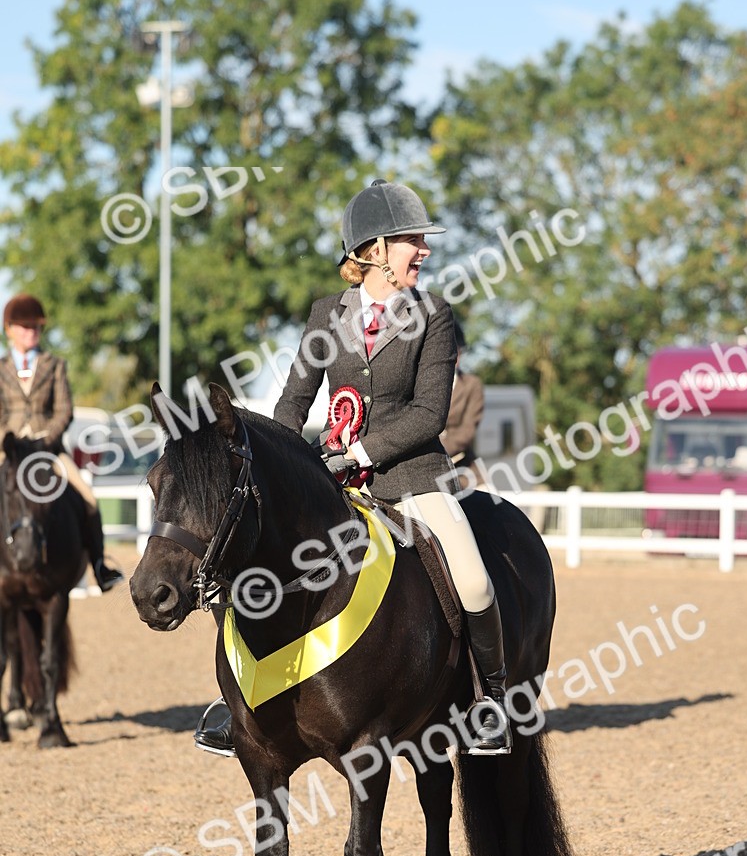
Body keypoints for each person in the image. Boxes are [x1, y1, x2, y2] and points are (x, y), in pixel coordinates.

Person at [195, 180, 511, 757]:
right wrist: (273, 463)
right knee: (245, 561)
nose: (425, 251)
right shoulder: (326, 315)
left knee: (473, 578)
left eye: (422, 241)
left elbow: (429, 414)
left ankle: (489, 702)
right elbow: (293, 401)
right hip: (329, 483)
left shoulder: (433, 315)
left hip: (411, 476)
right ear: (375, 248)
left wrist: (361, 453)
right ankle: (234, 701)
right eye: (413, 240)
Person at [0, 294, 124, 592]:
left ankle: (99, 566)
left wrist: (47, 438)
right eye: (25, 326)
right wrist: (9, 438)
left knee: (88, 499)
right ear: (10, 330)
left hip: (48, 450)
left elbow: (64, 410)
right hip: (9, 449)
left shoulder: (54, 365)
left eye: (36, 327)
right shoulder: (1, 368)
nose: (32, 332)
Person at [440, 320, 485, 486]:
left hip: (464, 469)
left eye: (458, 352)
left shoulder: (472, 385)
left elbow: (467, 431)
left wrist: (436, 451)